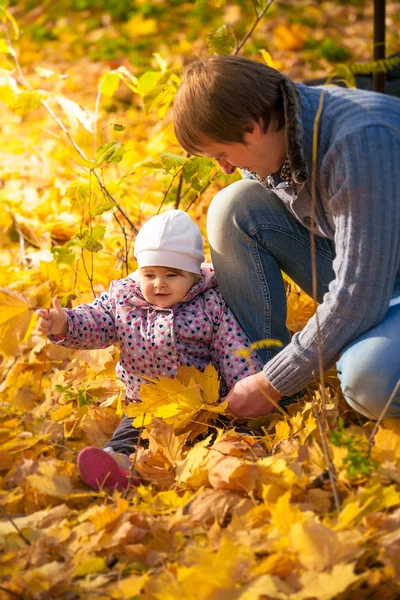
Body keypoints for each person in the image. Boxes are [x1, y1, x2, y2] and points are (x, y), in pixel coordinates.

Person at [173, 54, 400, 421]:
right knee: (233, 206)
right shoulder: (280, 134)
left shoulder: (359, 144)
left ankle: (274, 384)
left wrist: (274, 381)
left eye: (220, 154)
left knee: (368, 379)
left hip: (377, 284)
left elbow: (360, 294)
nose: (224, 167)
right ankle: (266, 392)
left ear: (252, 128)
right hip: (376, 269)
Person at [36, 209, 263, 491]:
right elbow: (95, 320)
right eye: (150, 274)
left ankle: (236, 458)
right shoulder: (124, 300)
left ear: (193, 275)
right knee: (128, 436)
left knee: (226, 432)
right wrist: (64, 324)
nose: (159, 283)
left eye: (172, 274)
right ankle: (115, 465)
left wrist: (248, 388)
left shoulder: (209, 304)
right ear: (139, 272)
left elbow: (232, 346)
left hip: (201, 405)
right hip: (146, 404)